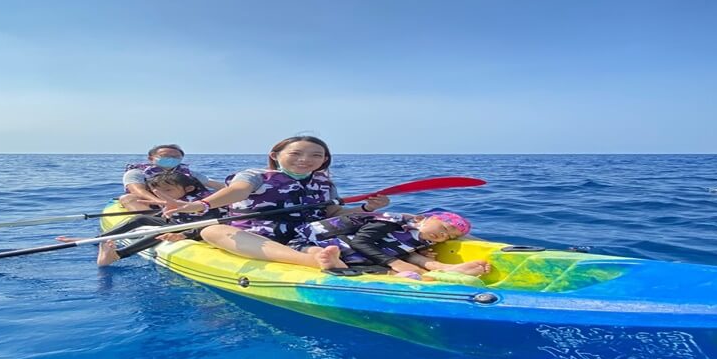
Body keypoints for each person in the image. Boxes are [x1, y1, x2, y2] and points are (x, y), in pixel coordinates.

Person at [163, 136, 389, 270]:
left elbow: (333, 213)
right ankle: (311, 261)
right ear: (276, 155)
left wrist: (367, 208)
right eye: (296, 153)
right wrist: (201, 205)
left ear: (324, 160)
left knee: (382, 220)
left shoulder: (324, 182)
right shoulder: (255, 175)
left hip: (308, 232)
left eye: (316, 156)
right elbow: (237, 192)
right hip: (259, 233)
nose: (305, 160)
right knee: (212, 231)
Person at [59, 170, 219, 266]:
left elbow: (207, 224)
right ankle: (99, 239)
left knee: (162, 231)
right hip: (180, 222)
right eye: (156, 191)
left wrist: (185, 234)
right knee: (140, 219)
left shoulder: (200, 199)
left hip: (200, 227)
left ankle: (119, 254)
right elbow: (166, 213)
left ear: (189, 188)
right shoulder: (176, 197)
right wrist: (158, 215)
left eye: (168, 190)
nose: (162, 195)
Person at [290, 210, 490, 279]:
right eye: (444, 227)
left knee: (412, 259)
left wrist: (422, 258)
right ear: (423, 218)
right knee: (319, 251)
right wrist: (396, 262)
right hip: (318, 241)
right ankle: (329, 260)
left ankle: (446, 270)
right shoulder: (391, 222)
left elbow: (407, 253)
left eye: (448, 236)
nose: (443, 234)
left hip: (358, 252)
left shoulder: (420, 238)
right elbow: (361, 241)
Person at [120, 144, 224, 211]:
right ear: (151, 158)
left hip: (185, 202)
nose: (171, 159)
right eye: (165, 156)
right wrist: (161, 202)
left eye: (175, 157)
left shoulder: (189, 173)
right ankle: (153, 223)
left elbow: (214, 184)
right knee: (128, 198)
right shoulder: (136, 173)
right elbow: (137, 191)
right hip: (152, 203)